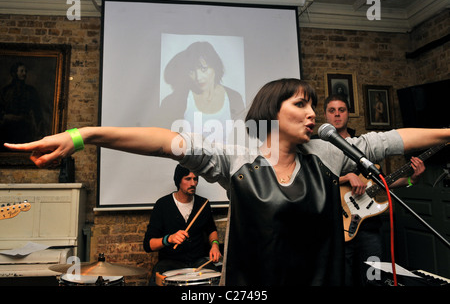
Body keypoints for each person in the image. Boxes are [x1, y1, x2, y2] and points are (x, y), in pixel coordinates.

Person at [4, 78, 449, 286]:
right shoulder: (236, 155)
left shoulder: (329, 152)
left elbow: (395, 139)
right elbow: (164, 141)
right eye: (302, 104)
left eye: (315, 106)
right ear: (273, 111)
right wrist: (85, 135)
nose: (313, 114)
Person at [322, 94, 426, 286]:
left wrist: (412, 179)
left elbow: (382, 182)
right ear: (326, 116)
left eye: (342, 110)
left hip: (369, 227)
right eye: (332, 110)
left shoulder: (365, 145)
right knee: (341, 279)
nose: (337, 114)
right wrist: (345, 177)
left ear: (348, 114)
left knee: (374, 277)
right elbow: (311, 179)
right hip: (335, 225)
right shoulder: (317, 147)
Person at [143, 164, 221, 285]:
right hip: (170, 262)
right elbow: (148, 245)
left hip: (198, 261)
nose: (193, 183)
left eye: (195, 179)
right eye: (188, 179)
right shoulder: (162, 205)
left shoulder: (203, 204)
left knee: (219, 281)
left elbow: (211, 230)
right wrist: (169, 239)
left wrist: (215, 245)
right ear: (178, 181)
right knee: (156, 281)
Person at [159, 41, 245, 144]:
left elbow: (242, 141)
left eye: (203, 69)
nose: (198, 77)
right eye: (191, 71)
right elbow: (165, 143)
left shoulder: (234, 98)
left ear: (215, 67)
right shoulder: (172, 102)